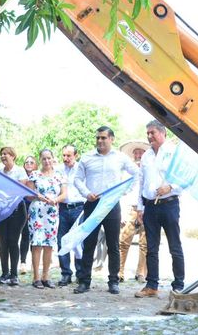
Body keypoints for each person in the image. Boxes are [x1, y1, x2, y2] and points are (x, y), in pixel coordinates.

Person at [73, 125, 138, 294]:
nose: (100, 141)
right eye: (98, 138)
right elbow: (78, 180)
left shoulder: (120, 158)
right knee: (89, 243)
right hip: (92, 204)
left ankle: (113, 282)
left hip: (111, 205)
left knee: (113, 244)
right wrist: (86, 193)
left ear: (111, 139)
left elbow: (137, 174)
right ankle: (84, 281)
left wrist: (124, 191)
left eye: (103, 138)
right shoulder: (87, 157)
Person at [135, 120, 185, 298]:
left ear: (163, 133)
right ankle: (151, 285)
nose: (149, 136)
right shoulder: (146, 156)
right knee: (151, 247)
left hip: (169, 204)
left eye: (153, 133)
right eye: (147, 133)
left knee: (174, 246)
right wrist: (140, 207)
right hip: (150, 206)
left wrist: (170, 187)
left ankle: (179, 285)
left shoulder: (173, 152)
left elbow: (184, 177)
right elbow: (140, 182)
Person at [27, 149, 67, 289]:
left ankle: (45, 276)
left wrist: (55, 200)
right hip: (37, 211)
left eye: (49, 158)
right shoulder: (34, 175)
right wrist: (36, 195)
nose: (47, 161)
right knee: (37, 243)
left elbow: (64, 194)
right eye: (44, 159)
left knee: (49, 244)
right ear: (40, 160)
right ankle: (36, 277)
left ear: (52, 158)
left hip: (51, 212)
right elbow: (28, 194)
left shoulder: (59, 176)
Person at [0, 146, 29, 286]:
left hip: (17, 211)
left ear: (13, 156)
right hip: (1, 210)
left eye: (6, 154)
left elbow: (19, 190)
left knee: (13, 241)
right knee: (3, 242)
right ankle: (4, 273)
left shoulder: (20, 171)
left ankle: (14, 274)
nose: (3, 156)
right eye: (1, 154)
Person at [118, 140, 150, 284]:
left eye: (140, 152)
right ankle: (119, 271)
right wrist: (122, 212)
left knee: (145, 243)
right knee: (124, 241)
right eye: (136, 152)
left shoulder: (149, 169)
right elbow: (122, 192)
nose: (138, 155)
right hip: (130, 208)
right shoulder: (127, 172)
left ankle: (141, 272)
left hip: (146, 208)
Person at [55, 144, 84, 286]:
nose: (66, 158)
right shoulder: (58, 170)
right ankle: (65, 274)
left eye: (69, 156)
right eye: (64, 155)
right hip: (62, 208)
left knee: (78, 241)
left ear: (75, 155)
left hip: (79, 207)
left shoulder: (82, 168)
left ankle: (81, 273)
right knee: (62, 241)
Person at [19, 155, 37, 275]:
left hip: (37, 209)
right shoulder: (21, 177)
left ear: (35, 164)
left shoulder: (39, 177)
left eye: (31, 162)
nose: (29, 164)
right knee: (25, 235)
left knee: (35, 237)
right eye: (27, 162)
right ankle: (23, 262)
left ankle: (34, 263)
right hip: (24, 208)